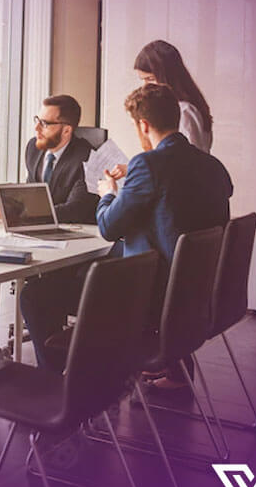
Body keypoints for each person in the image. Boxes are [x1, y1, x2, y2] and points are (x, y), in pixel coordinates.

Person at [96, 83, 233, 385]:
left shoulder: (147, 164)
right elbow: (180, 211)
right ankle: (171, 369)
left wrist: (108, 195)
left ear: (143, 125)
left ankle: (93, 382)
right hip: (200, 289)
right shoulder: (212, 165)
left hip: (159, 293)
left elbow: (108, 227)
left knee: (80, 281)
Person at [0, 94, 98, 371]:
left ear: (66, 129)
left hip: (73, 238)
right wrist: (8, 208)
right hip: (34, 232)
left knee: (40, 292)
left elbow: (77, 207)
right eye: (38, 120)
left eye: (45, 123)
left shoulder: (87, 158)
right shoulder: (34, 148)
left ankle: (54, 361)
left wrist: (22, 214)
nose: (37, 129)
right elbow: (31, 192)